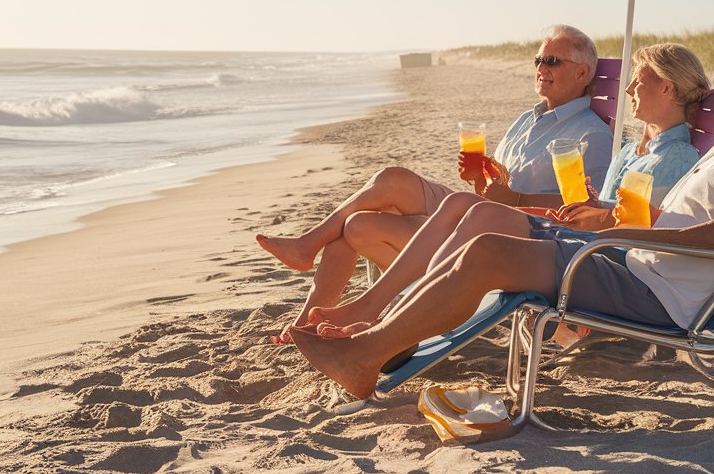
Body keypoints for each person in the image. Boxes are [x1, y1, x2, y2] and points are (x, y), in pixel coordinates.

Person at [290, 22, 714, 400]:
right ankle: (377, 332)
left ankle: (366, 356)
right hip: (631, 257)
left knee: (488, 254)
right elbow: (691, 219)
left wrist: (627, 225)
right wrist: (612, 219)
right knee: (481, 221)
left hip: (652, 287)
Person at [305, 42, 711, 339]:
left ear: (668, 89)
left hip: (595, 256)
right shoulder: (636, 151)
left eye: (639, 83)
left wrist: (576, 210)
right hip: (576, 235)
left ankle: (382, 316)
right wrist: (587, 204)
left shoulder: (672, 158)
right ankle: (376, 312)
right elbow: (615, 209)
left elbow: (645, 231)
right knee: (449, 201)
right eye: (538, 59)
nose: (628, 92)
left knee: (468, 211)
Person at [256, 25, 612, 340]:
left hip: (510, 229)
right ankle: (309, 280)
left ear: (582, 72)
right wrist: (480, 178)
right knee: (392, 180)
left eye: (552, 61)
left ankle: (326, 289)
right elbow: (497, 186)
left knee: (359, 224)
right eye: (538, 59)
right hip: (485, 209)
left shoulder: (591, 134)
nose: (540, 68)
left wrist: (514, 198)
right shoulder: (528, 119)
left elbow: (586, 213)